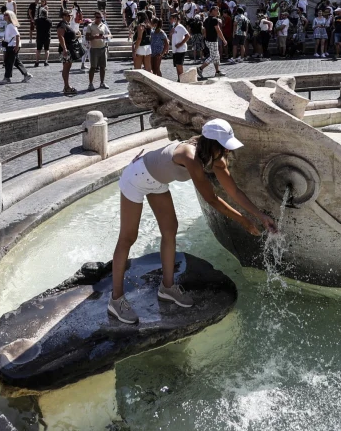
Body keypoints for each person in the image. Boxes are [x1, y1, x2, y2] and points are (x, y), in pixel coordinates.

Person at [106, 119, 277, 324]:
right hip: (136, 177)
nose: (228, 151)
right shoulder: (190, 156)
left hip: (157, 182)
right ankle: (116, 301)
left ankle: (167, 288)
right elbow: (211, 198)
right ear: (212, 143)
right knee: (128, 237)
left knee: (170, 230)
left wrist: (261, 216)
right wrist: (243, 221)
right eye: (224, 146)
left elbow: (234, 191)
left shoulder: (216, 159)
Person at [0, 11, 32, 84]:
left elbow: (17, 35)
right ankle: (26, 74)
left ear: (9, 16)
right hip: (11, 45)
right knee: (16, 62)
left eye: (6, 15)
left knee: (8, 62)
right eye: (4, 14)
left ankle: (7, 78)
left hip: (13, 46)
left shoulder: (11, 25)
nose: (4, 16)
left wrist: (17, 46)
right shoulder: (8, 25)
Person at [85, 12, 111, 91]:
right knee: (93, 67)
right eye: (97, 17)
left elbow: (110, 35)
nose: (99, 19)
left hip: (103, 48)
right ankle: (90, 84)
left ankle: (102, 82)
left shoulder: (104, 25)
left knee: (103, 67)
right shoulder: (90, 26)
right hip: (94, 49)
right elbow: (87, 38)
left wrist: (104, 36)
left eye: (100, 17)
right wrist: (94, 37)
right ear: (95, 17)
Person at [56, 10, 79, 96]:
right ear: (64, 16)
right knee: (66, 67)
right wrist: (65, 49)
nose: (70, 17)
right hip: (65, 50)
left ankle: (66, 86)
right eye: (69, 16)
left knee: (67, 67)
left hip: (68, 49)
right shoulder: (62, 25)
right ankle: (67, 87)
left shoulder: (65, 24)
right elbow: (60, 36)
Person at [201, 6, 226, 79]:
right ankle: (200, 69)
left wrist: (206, 39)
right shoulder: (215, 20)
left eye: (218, 10)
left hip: (208, 40)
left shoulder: (206, 20)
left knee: (216, 56)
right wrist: (224, 40)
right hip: (213, 40)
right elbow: (218, 31)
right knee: (213, 56)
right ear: (212, 11)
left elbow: (204, 31)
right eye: (216, 10)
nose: (217, 11)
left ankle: (217, 71)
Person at [34, 0, 52, 66]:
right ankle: (46, 61)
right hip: (47, 36)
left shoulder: (37, 21)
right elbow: (50, 26)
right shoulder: (49, 21)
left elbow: (35, 25)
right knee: (46, 49)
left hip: (39, 36)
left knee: (38, 49)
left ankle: (37, 61)